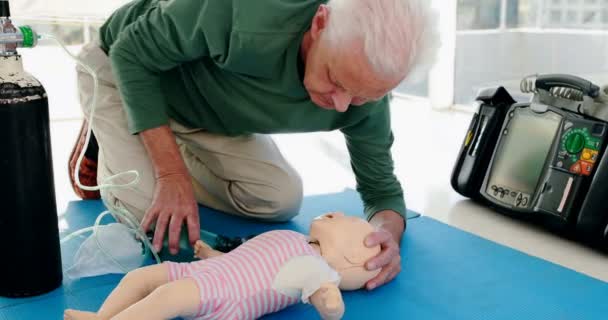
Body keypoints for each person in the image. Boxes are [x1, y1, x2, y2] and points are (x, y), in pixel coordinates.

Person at [69, 0, 439, 291]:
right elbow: (130, 51)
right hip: (124, 69)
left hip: (210, 111)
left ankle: (160, 143)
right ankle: (119, 132)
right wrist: (169, 174)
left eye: (359, 97)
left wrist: (386, 237)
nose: (341, 105)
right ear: (319, 23)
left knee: (279, 199)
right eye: (334, 80)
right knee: (155, 219)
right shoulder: (250, 9)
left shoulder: (367, 94)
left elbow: (383, 194)